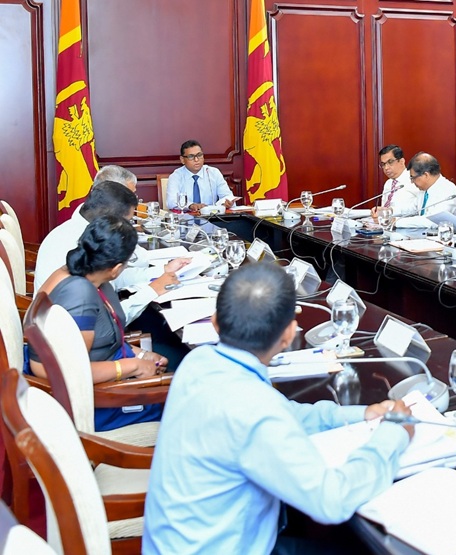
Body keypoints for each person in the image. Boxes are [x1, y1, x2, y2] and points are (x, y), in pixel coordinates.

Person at [143, 262, 413, 554]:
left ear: (215, 322)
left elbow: (284, 414)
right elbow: (331, 501)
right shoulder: (256, 409)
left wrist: (361, 414)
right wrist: (393, 435)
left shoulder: (199, 361)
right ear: (289, 334)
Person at [27, 216, 167, 430]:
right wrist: (132, 366)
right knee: (177, 404)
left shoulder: (77, 272)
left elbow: (100, 337)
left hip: (104, 377)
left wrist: (140, 354)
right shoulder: (80, 296)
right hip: (90, 402)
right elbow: (70, 371)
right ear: (116, 269)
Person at [33, 178, 187, 322]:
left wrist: (162, 271)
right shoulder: (75, 244)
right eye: (127, 221)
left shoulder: (77, 231)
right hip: (70, 330)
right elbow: (107, 321)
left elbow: (113, 279)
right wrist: (152, 291)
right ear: (110, 219)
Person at [165, 140, 235, 212]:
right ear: (182, 160)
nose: (196, 159)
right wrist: (191, 205)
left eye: (199, 155)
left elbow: (227, 195)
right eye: (191, 156)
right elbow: (171, 201)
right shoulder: (176, 176)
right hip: (186, 217)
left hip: (211, 216)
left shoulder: (213, 173)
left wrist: (226, 202)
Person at [371, 144, 421, 219]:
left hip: (405, 223)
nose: (386, 168)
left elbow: (419, 208)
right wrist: (380, 212)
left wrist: (392, 212)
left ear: (401, 161)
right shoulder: (388, 183)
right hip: (385, 223)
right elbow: (384, 208)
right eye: (383, 164)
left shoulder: (414, 180)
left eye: (390, 162)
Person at [408, 152, 456, 218]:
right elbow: (412, 208)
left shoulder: (448, 190)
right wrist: (394, 212)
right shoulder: (424, 189)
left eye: (413, 178)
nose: (412, 182)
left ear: (426, 175)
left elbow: (432, 219)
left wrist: (401, 221)